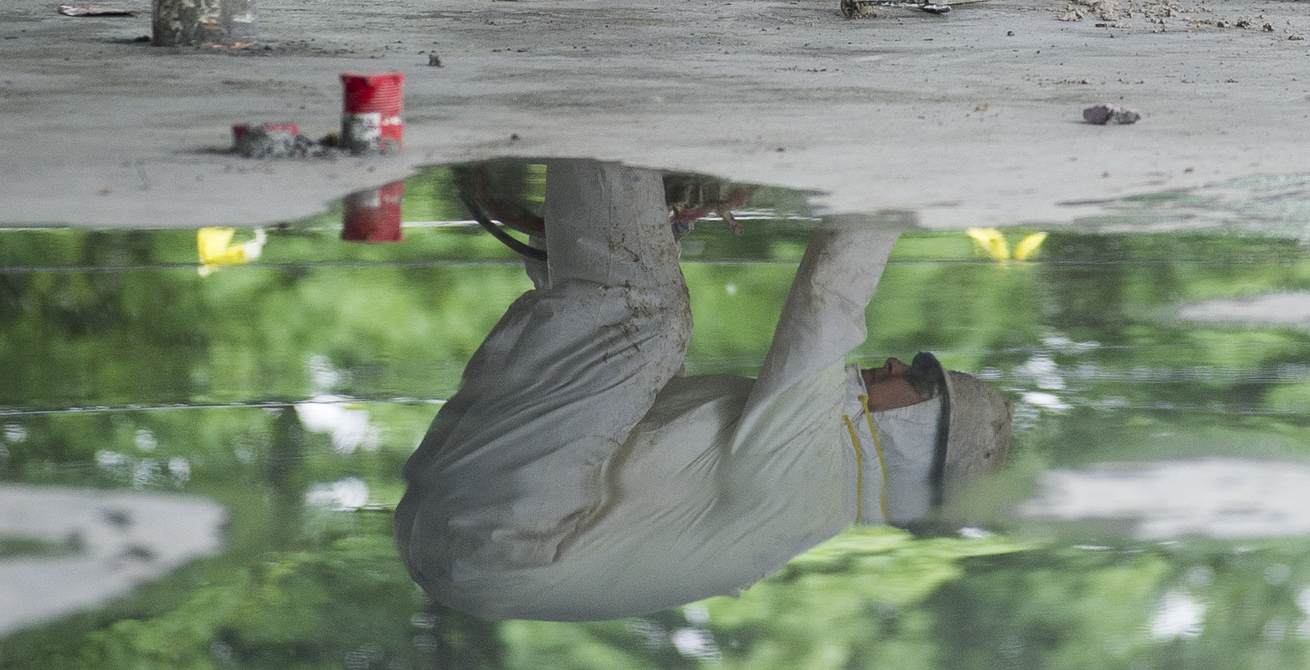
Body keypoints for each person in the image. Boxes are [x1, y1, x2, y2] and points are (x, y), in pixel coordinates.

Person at [396, 159, 1016, 622]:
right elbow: (620, 398)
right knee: (638, 334)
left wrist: (901, 182)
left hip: (505, 535)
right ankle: (593, 195)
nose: (895, 364)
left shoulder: (822, 474)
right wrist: (656, 235)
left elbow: (827, 300)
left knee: (644, 314)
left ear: (920, 440)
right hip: (471, 544)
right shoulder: (814, 503)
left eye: (919, 381)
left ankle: (604, 123)